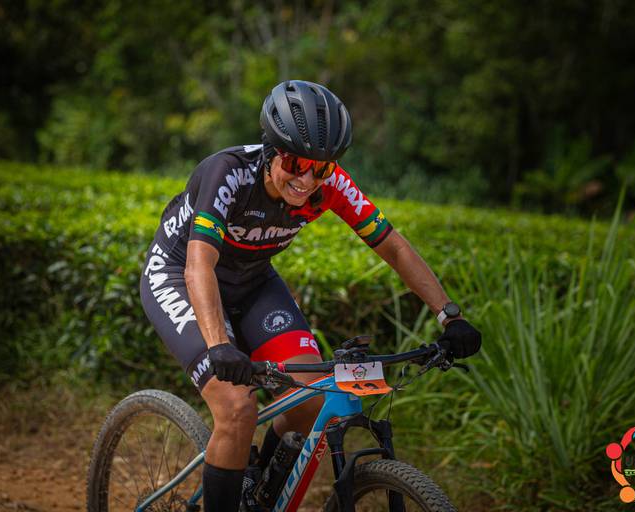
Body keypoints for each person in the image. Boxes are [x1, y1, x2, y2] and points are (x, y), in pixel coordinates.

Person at [139, 80, 481, 511]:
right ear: (271, 151)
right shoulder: (227, 173)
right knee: (237, 407)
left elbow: (392, 246)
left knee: (310, 399)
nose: (306, 180)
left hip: (253, 281)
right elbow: (198, 266)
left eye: (321, 169)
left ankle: (258, 491)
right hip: (178, 273)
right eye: (295, 163)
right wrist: (219, 344)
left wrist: (449, 315)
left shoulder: (330, 184)